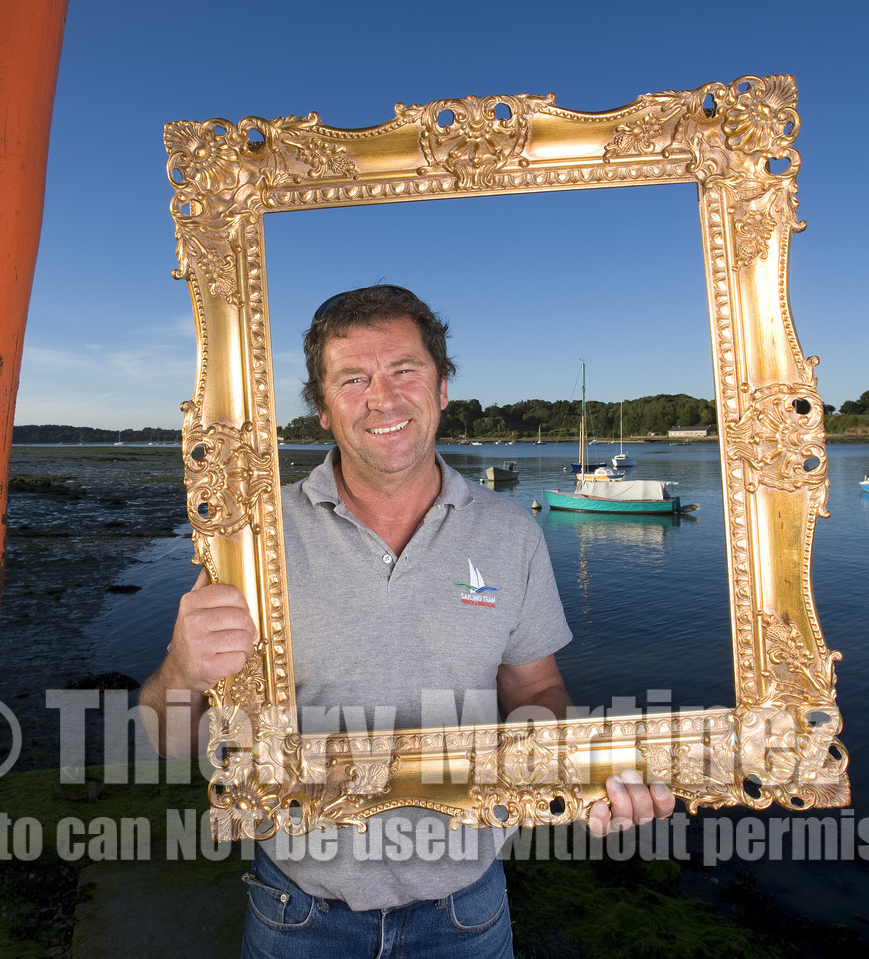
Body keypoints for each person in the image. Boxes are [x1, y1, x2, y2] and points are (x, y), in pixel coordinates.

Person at [141, 284, 673, 957]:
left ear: (442, 387)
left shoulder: (512, 534)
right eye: (353, 379)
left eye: (404, 372)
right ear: (324, 409)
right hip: (297, 915)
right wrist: (183, 668)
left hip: (466, 914)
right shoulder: (250, 539)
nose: (382, 399)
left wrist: (592, 768)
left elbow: (536, 692)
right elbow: (166, 739)